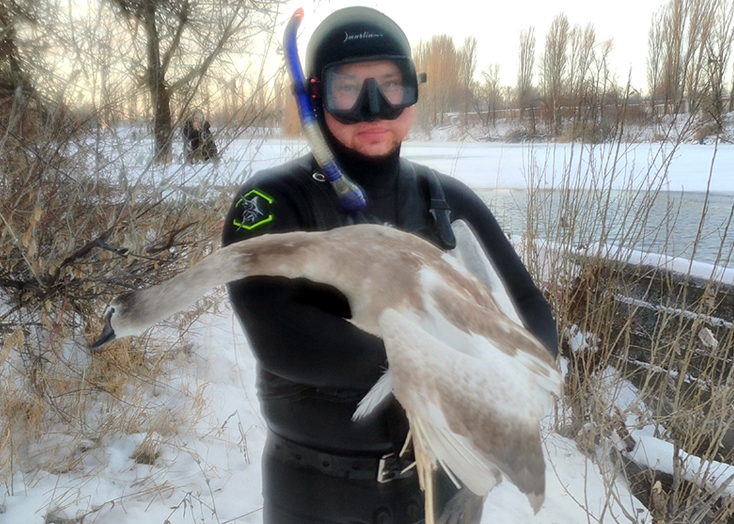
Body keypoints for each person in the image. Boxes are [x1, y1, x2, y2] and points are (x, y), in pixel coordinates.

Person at [222, 7, 558, 524]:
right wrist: (467, 365)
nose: (374, 108)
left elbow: (527, 307)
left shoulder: (448, 202)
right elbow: (284, 341)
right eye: (349, 88)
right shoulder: (274, 203)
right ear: (316, 97)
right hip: (318, 491)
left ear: (413, 90)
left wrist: (523, 383)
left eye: (390, 85)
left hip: (448, 487)